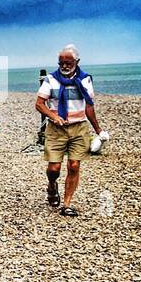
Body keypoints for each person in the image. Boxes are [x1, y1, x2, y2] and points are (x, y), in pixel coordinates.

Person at [36, 45, 102, 217]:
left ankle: (66, 205)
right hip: (56, 129)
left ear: (77, 62)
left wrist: (98, 130)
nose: (64, 66)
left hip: (79, 127)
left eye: (68, 63)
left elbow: (89, 107)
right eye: (61, 63)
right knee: (54, 169)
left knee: (74, 166)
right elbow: (39, 104)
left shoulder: (86, 79)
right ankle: (52, 186)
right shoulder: (50, 79)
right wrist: (53, 115)